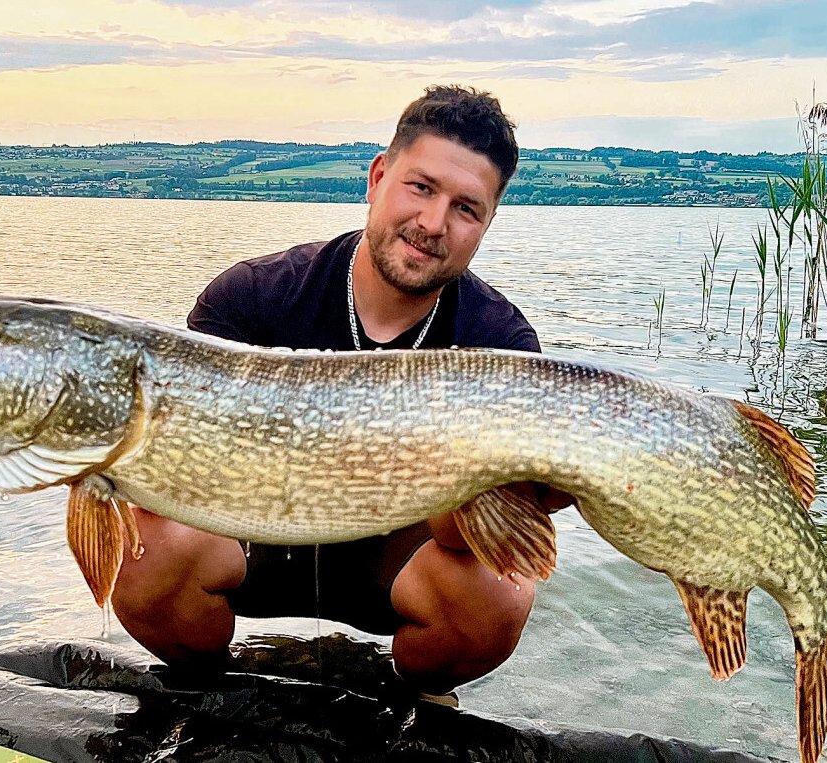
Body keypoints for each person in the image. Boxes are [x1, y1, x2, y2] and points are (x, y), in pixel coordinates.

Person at [112, 84, 564, 699]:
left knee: (494, 595)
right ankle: (217, 701)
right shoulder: (250, 297)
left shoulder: (499, 342)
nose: (433, 223)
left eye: (466, 208)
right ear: (378, 177)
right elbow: (174, 476)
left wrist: (521, 483)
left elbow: (471, 537)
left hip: (391, 568)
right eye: (421, 187)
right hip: (252, 547)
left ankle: (411, 700)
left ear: (486, 223)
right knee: (148, 550)